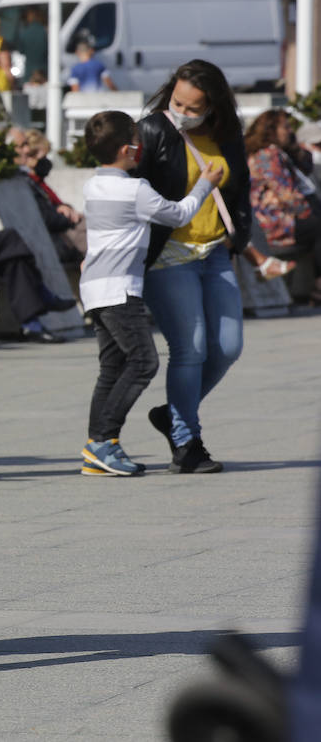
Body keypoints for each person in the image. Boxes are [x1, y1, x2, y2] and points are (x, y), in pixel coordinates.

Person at [78, 110, 221, 476]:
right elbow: (178, 215)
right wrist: (205, 183)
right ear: (128, 149)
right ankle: (102, 442)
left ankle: (99, 447)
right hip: (120, 289)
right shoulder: (134, 190)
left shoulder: (93, 185)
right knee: (144, 363)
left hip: (95, 288)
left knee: (112, 368)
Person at [136, 59, 250, 474]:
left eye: (192, 106)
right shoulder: (152, 130)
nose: (182, 111)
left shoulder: (228, 134)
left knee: (228, 346)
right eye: (177, 102)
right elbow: (135, 194)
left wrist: (241, 236)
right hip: (168, 257)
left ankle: (173, 414)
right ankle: (187, 442)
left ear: (213, 104)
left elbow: (241, 189)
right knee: (191, 348)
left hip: (215, 251)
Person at [246, 109, 321, 297]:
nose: (289, 131)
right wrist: (309, 213)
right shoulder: (267, 155)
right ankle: (319, 285)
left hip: (283, 218)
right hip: (275, 222)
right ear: (271, 130)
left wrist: (294, 147)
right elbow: (286, 195)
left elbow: (306, 164)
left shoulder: (279, 152)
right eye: (285, 127)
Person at [14, 128, 87, 262]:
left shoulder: (38, 183)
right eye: (42, 157)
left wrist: (64, 207)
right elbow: (45, 216)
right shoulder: (27, 183)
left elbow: (55, 203)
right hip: (58, 235)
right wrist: (66, 215)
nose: (46, 162)